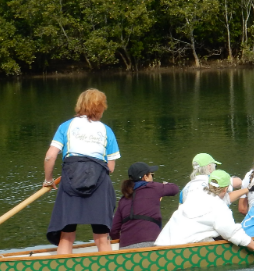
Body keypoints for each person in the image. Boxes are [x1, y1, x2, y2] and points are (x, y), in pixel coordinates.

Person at [43, 88, 120, 254]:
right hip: (100, 181)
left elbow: (50, 157)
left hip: (71, 179)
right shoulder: (107, 130)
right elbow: (111, 168)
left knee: (66, 234)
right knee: (101, 235)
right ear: (101, 108)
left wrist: (48, 179)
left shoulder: (66, 126)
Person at [155, 170, 254, 259]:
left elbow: (223, 199)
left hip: (162, 243)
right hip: (180, 251)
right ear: (225, 189)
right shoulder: (219, 208)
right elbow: (233, 234)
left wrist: (248, 189)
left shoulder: (195, 195)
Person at [110, 162, 180, 248]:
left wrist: (122, 241)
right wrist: (165, 185)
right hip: (150, 243)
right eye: (152, 175)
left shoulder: (123, 199)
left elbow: (113, 230)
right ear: (145, 177)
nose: (152, 178)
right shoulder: (154, 187)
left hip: (126, 248)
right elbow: (175, 189)